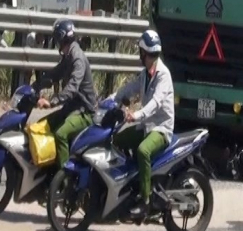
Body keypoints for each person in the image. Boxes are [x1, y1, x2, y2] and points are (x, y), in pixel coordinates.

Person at [109, 30, 174, 219]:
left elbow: (155, 103)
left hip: (161, 129)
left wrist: (136, 115)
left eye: (141, 52)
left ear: (144, 53)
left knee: (143, 151)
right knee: (117, 139)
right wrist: (111, 100)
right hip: (146, 126)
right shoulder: (146, 74)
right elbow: (130, 88)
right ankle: (131, 184)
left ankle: (146, 202)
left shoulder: (163, 76)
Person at [37, 20, 98, 167]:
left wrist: (52, 101)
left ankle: (63, 177)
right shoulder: (69, 55)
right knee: (42, 125)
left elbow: (72, 87)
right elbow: (56, 73)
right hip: (72, 107)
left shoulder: (77, 58)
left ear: (61, 38)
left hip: (85, 111)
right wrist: (36, 85)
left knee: (60, 134)